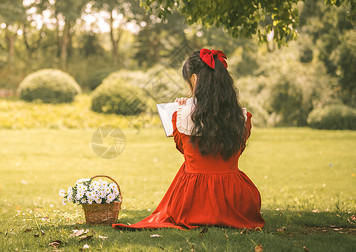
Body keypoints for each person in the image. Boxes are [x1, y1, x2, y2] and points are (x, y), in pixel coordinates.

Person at [112, 49, 265, 230]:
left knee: (187, 169)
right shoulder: (241, 118)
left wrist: (185, 108)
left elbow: (185, 150)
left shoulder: (181, 115)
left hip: (192, 202)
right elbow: (237, 149)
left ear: (194, 79)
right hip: (236, 202)